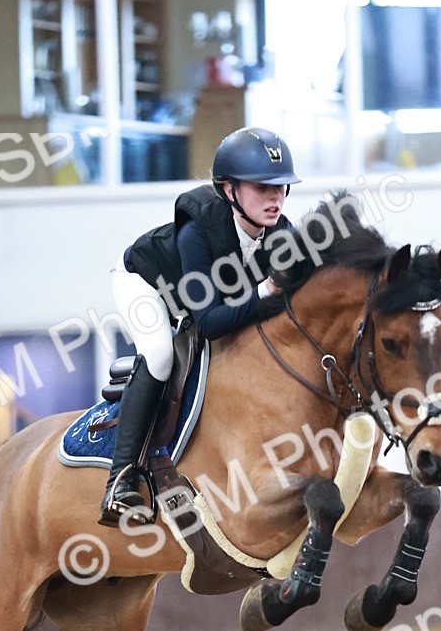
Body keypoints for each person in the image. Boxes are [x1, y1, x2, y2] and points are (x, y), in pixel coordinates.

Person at [99, 126, 300, 527]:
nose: (275, 197)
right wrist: (265, 291)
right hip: (144, 283)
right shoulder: (198, 231)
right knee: (158, 353)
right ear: (229, 191)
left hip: (195, 301)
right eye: (262, 188)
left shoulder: (282, 235)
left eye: (281, 187)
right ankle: (120, 480)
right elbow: (207, 323)